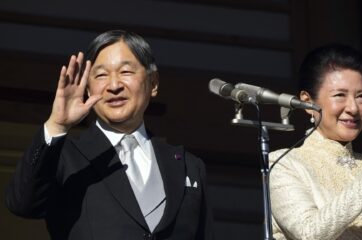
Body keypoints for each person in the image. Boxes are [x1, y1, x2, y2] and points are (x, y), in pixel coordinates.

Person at [6, 30, 214, 240]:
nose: (114, 86)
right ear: (88, 89)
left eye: (125, 72)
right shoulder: (66, 156)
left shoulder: (189, 166)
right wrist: (56, 124)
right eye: (101, 75)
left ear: (153, 83)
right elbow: (22, 204)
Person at [269, 44, 362, 240]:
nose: (354, 108)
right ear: (307, 101)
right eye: (340, 95)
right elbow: (308, 233)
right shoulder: (284, 163)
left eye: (361, 96)